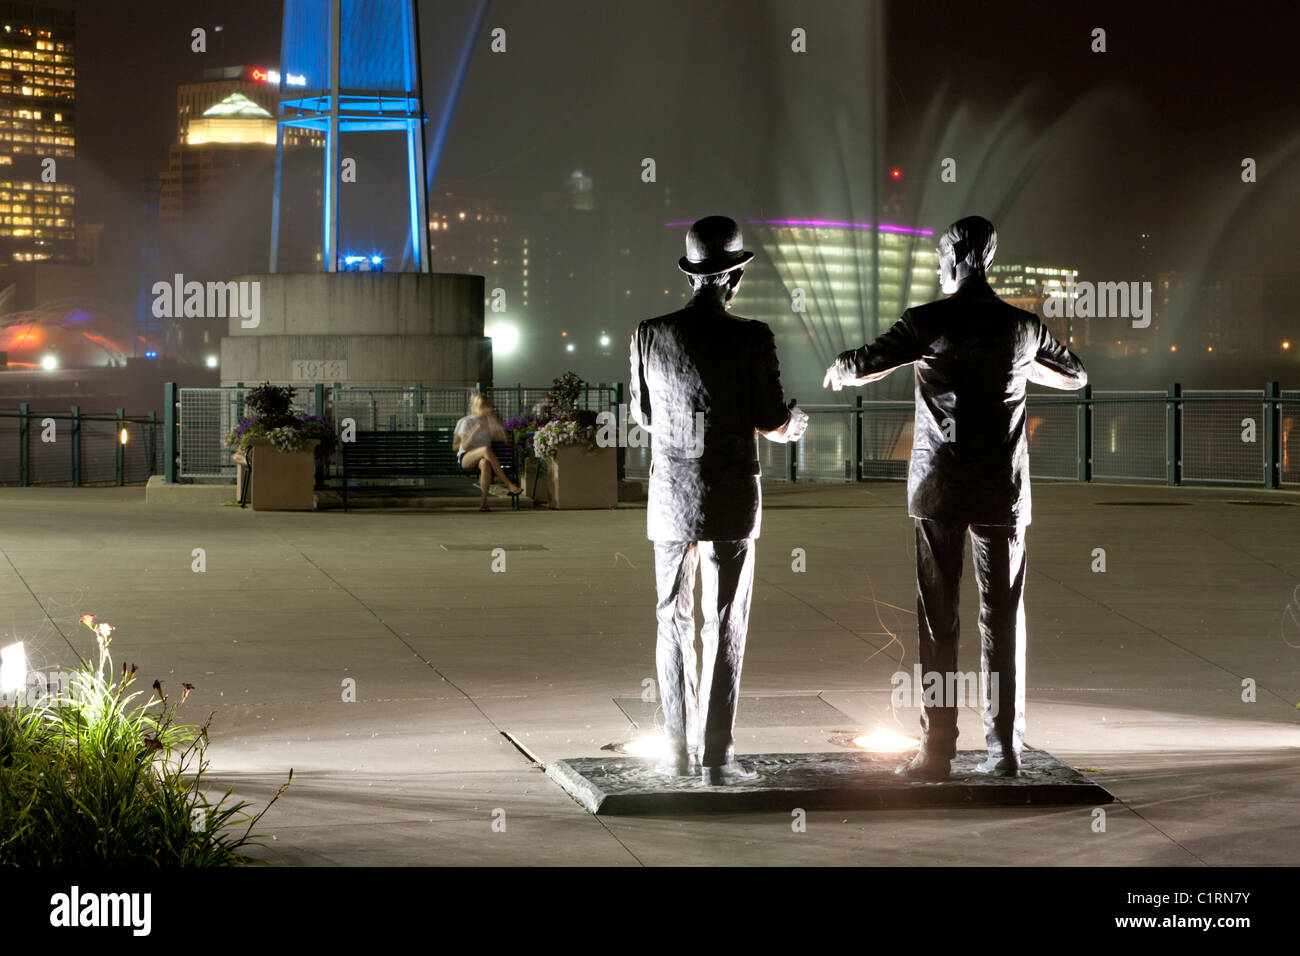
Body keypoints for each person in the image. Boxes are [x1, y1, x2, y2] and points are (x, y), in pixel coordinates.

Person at [823, 215, 1088, 781]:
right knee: (1004, 619)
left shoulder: (928, 321)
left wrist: (841, 369)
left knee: (938, 620)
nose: (937, 261)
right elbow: (1076, 376)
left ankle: (937, 750)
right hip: (1003, 490)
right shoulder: (1023, 328)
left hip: (940, 488)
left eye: (943, 251)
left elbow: (870, 361)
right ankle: (1006, 749)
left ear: (963, 255)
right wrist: (1014, 366)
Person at [630, 215, 809, 785]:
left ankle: (676, 749)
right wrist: (792, 426)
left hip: (670, 496)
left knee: (670, 620)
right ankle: (716, 754)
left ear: (690, 277)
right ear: (732, 277)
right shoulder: (752, 337)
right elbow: (770, 417)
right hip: (731, 495)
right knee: (724, 622)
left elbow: (644, 415)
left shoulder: (648, 333)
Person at [453, 394, 521, 511]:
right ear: (474, 408)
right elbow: (463, 446)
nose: (483, 409)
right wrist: (475, 430)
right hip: (466, 457)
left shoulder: (489, 421)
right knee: (485, 449)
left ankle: (483, 503)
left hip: (483, 457)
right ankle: (508, 484)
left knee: (485, 463)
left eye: (485, 406)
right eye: (481, 406)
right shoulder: (466, 422)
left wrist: (493, 419)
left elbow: (504, 437)